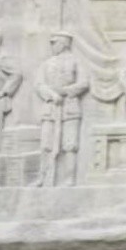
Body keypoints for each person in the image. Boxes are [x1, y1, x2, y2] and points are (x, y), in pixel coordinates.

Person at [33, 31, 89, 186]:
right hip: (50, 108)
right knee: (46, 144)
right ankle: (43, 177)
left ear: (63, 44)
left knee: (70, 145)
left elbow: (84, 83)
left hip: (70, 108)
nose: (52, 46)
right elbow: (39, 84)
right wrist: (51, 94)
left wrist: (65, 91)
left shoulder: (75, 62)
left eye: (55, 42)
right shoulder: (46, 64)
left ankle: (69, 179)